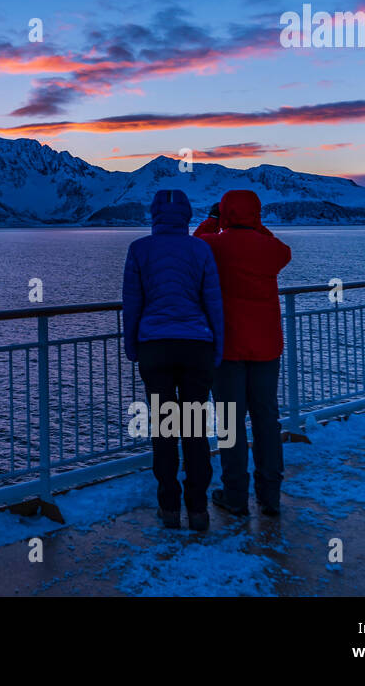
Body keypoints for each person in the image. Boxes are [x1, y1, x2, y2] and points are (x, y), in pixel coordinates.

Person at [123, 189, 224, 532]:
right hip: (197, 348)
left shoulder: (139, 250)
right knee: (195, 430)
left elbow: (132, 304)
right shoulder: (201, 248)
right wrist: (218, 347)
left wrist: (132, 346)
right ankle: (198, 509)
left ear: (153, 214)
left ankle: (169, 508)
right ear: (186, 214)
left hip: (155, 348)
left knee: (165, 430)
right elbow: (214, 305)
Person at [195, 190, 292, 517]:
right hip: (266, 347)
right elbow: (281, 249)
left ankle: (235, 495)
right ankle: (270, 496)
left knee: (230, 424)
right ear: (256, 214)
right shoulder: (272, 250)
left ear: (225, 213)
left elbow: (197, 243)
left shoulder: (215, 245)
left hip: (228, 349)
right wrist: (256, 227)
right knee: (266, 420)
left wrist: (213, 220)